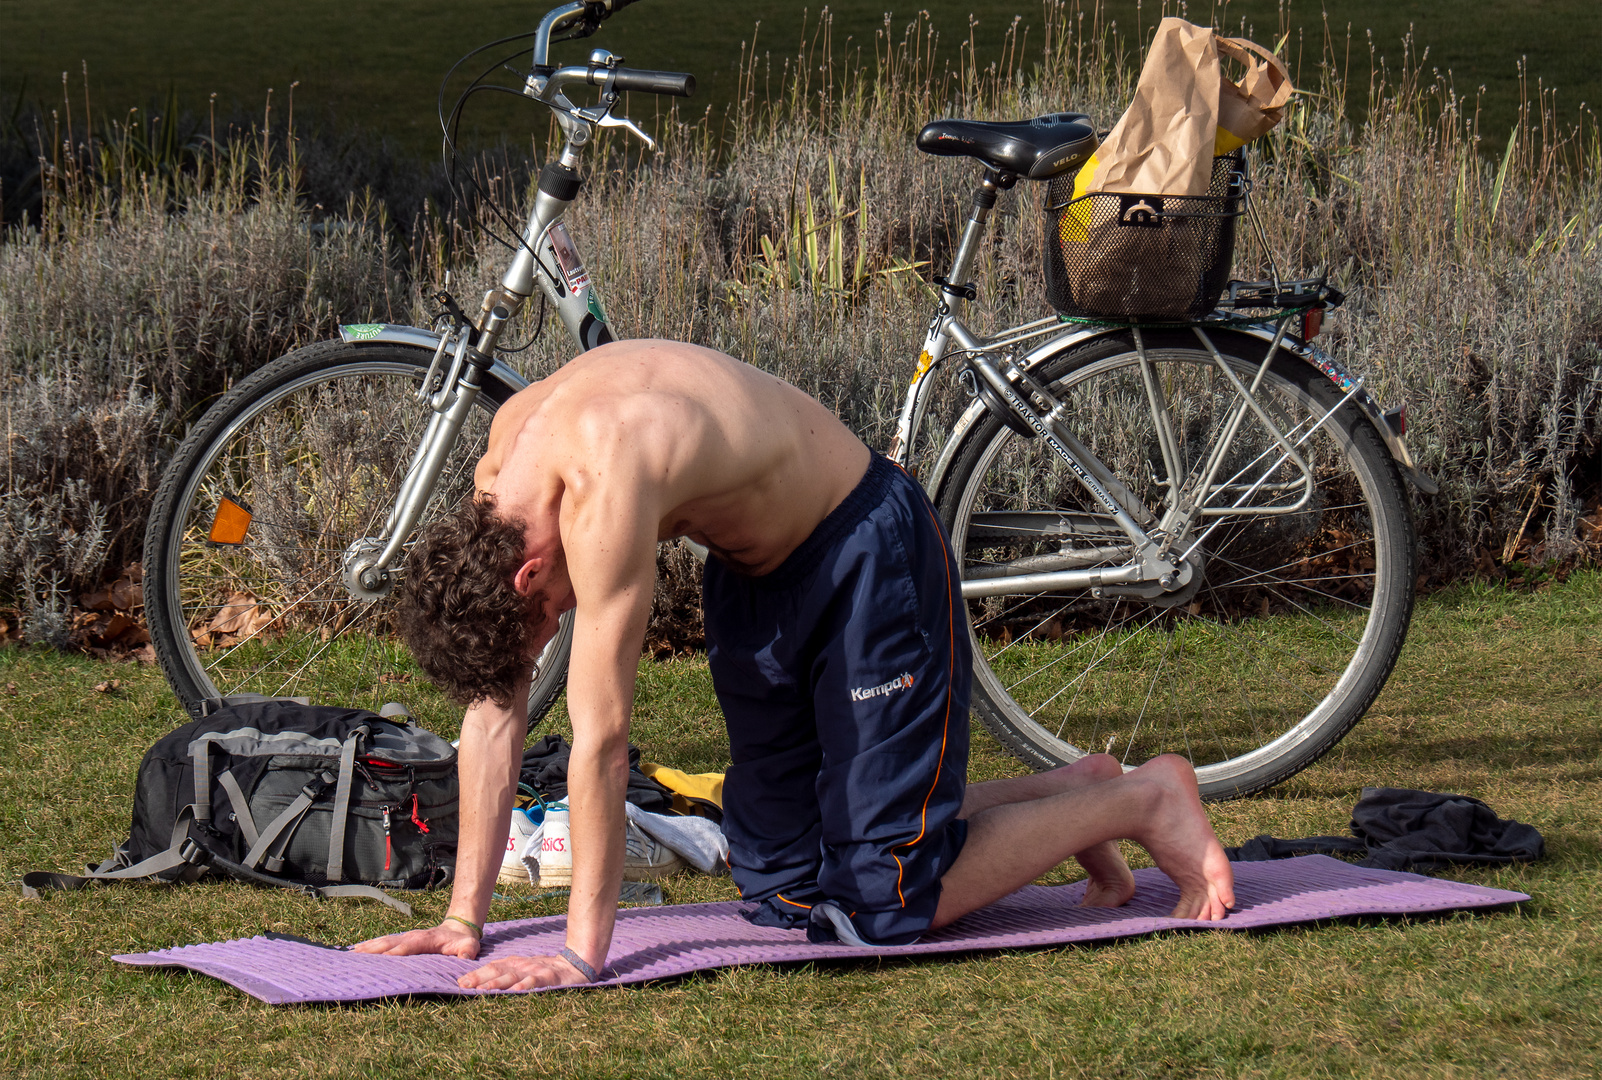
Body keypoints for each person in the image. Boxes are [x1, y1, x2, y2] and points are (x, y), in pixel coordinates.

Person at [354, 339, 1234, 988]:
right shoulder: (504, 464)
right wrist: (463, 919)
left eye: (546, 624)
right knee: (781, 887)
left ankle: (1141, 797)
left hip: (864, 555)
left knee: (877, 908)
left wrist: (583, 953)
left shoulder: (600, 481)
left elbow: (601, 743)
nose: (550, 639)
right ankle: (1072, 794)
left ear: (529, 572)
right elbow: (495, 708)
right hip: (753, 576)